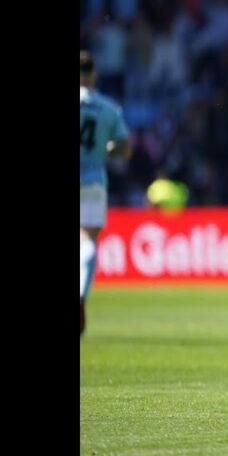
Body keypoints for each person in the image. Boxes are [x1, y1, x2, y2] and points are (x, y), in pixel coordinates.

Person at [80, 50, 132, 336]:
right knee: (87, 239)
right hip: (92, 180)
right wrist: (106, 148)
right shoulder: (108, 108)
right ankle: (80, 296)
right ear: (94, 74)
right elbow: (125, 149)